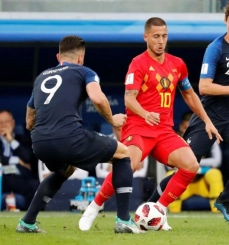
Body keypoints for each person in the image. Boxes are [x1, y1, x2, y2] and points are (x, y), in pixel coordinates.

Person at [79, 17, 222, 231]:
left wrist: (207, 121)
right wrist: (145, 114)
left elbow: (190, 94)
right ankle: (94, 207)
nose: (161, 41)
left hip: (164, 131)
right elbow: (129, 98)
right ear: (146, 37)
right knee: (129, 165)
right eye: (156, 36)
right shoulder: (138, 63)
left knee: (191, 165)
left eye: (164, 36)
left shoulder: (177, 64)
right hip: (139, 127)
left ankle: (158, 211)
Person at [15, 35, 144, 234]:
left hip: (39, 142)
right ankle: (124, 220)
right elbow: (97, 98)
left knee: (65, 170)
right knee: (123, 153)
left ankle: (27, 222)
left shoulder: (41, 77)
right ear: (81, 57)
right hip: (69, 138)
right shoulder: (84, 71)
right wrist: (112, 120)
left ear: (59, 56)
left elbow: (29, 121)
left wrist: (48, 135)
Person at [148, 1, 229, 224]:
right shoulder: (215, 48)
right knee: (186, 167)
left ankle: (225, 199)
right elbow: (204, 87)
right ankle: (150, 207)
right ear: (225, 21)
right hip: (207, 116)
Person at [166, 141, 223, 213]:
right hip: (184, 181)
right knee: (171, 174)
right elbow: (168, 163)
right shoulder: (174, 138)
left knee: (215, 173)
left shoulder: (209, 136)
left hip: (203, 181)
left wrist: (193, 164)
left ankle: (217, 210)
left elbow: (217, 161)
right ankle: (174, 213)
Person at [0, 109, 39, 210]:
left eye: (7, 122)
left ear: (13, 123)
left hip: (20, 179)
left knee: (34, 185)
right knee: (6, 176)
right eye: (0, 122)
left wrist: (11, 140)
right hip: (2, 177)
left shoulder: (24, 140)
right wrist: (16, 161)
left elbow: (28, 157)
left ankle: (29, 215)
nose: (4, 125)